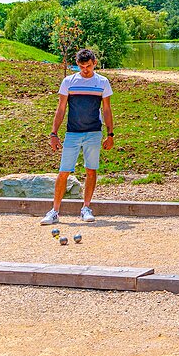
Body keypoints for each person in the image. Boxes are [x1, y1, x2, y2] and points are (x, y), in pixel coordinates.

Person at [40, 48, 115, 225]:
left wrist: (110, 134)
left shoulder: (102, 82)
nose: (85, 70)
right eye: (81, 67)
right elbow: (61, 109)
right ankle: (55, 211)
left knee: (91, 170)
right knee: (64, 171)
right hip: (72, 132)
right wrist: (53, 133)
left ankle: (86, 208)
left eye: (88, 66)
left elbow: (106, 109)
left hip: (94, 132)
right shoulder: (69, 82)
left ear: (95, 63)